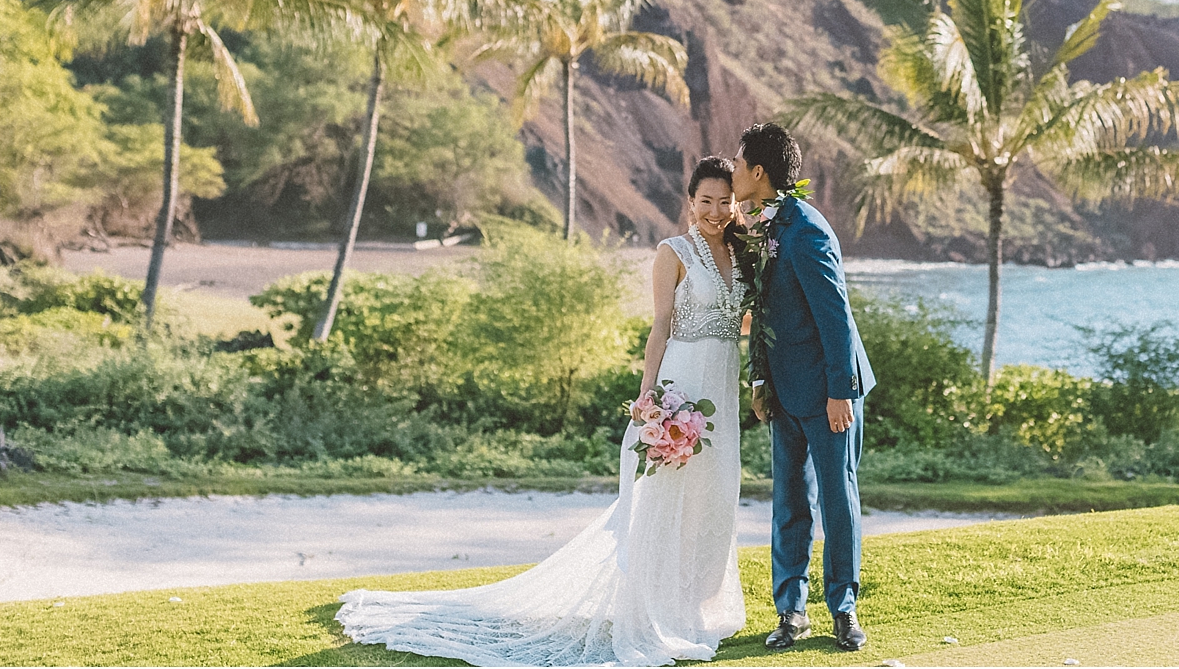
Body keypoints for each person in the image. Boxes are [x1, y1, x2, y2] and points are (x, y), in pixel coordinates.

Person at [334, 156, 750, 667]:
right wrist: (649, 397)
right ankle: (660, 609)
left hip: (722, 389)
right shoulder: (674, 251)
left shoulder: (741, 252)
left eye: (724, 200)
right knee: (666, 498)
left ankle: (698, 605)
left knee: (713, 495)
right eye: (705, 200)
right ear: (690, 201)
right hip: (682, 385)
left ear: (736, 203)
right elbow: (661, 324)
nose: (714, 210)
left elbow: (741, 321)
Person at [736, 121, 876, 654]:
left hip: (829, 392)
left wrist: (839, 390)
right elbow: (763, 311)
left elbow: (835, 314)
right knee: (789, 501)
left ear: (758, 171)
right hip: (783, 391)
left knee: (837, 499)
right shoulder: (766, 227)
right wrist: (759, 380)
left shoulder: (807, 228)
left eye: (738, 160)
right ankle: (790, 611)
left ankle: (843, 609)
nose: (732, 169)